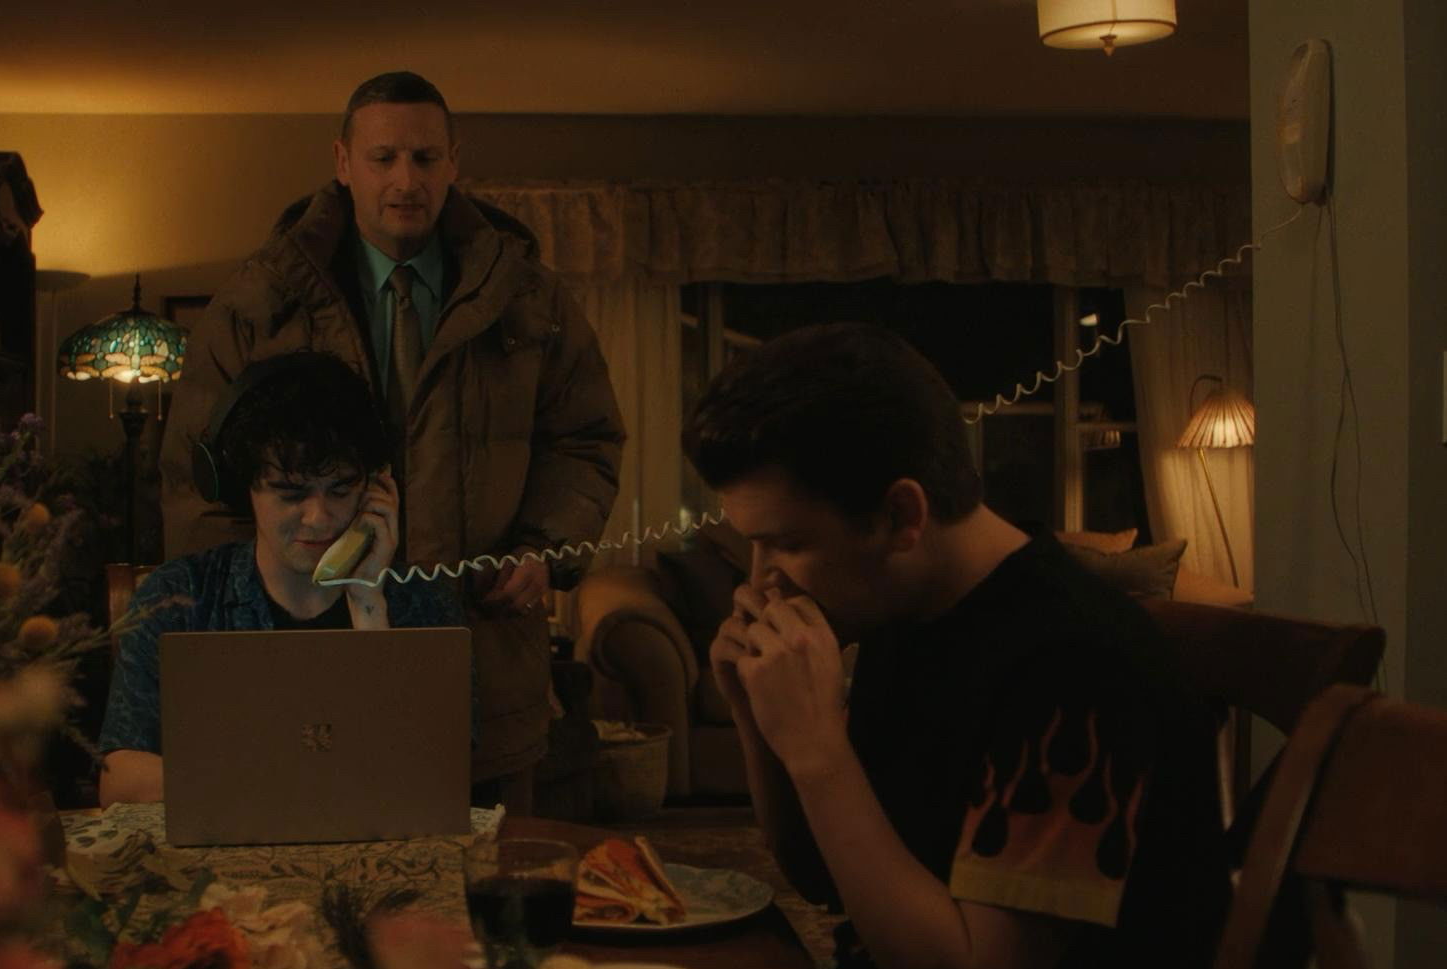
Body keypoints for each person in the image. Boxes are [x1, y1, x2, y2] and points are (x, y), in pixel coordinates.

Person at [683, 323, 1228, 969]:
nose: (761, 581)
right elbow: (827, 876)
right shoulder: (905, 608)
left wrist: (819, 749)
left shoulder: (1074, 663)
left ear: (900, 516)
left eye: (788, 543)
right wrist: (757, 717)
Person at [160, 71, 624, 809]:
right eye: (383, 158)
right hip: (301, 664)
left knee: (488, 874)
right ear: (343, 162)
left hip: (484, 660)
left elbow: (586, 438)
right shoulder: (259, 301)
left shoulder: (530, 297)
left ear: (453, 162)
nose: (406, 180)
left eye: (425, 157)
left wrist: (546, 546)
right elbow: (199, 481)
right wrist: (254, 619)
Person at [101, 351, 462, 806]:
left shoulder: (423, 602)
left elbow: (433, 777)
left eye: (341, 489)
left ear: (376, 487)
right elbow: (119, 781)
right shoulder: (179, 597)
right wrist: (288, 780)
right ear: (243, 489)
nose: (318, 518)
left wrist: (369, 606)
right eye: (291, 494)